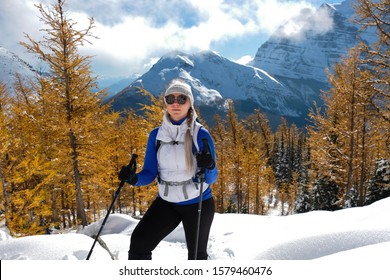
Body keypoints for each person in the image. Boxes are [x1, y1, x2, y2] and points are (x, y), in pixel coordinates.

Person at [118, 78, 218, 260]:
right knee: (139, 244)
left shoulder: (200, 134)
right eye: (170, 99)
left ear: (190, 103)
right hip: (167, 202)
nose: (175, 104)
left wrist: (209, 165)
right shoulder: (157, 135)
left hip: (198, 202)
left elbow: (211, 178)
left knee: (197, 257)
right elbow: (149, 173)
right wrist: (133, 179)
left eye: (182, 99)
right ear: (165, 103)